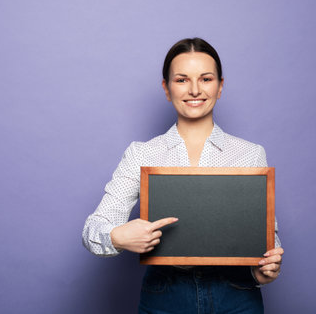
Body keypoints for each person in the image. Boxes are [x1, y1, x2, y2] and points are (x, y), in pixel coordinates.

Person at [82, 37, 284, 313]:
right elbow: (94, 228)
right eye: (181, 80)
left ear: (220, 86)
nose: (194, 90)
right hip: (165, 294)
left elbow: (265, 237)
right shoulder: (142, 153)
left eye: (206, 79)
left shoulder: (249, 154)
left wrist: (265, 269)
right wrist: (118, 236)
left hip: (236, 295)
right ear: (166, 89)